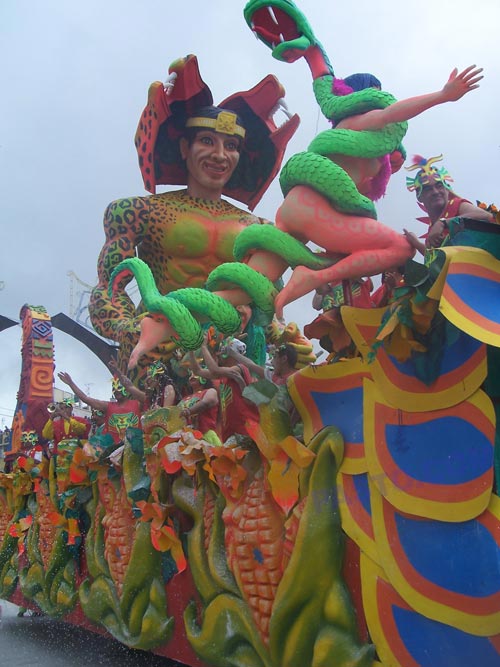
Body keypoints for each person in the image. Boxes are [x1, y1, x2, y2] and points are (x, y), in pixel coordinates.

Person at [89, 54, 298, 372]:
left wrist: (285, 342)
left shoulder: (260, 230)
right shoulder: (138, 211)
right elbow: (109, 286)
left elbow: (269, 306)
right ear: (185, 148)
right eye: (207, 141)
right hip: (159, 357)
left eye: (231, 146)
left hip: (232, 359)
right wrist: (128, 329)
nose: (219, 155)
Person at [272, 65, 485, 317]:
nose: (435, 192)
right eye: (374, 93)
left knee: (250, 288)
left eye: (438, 186)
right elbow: (393, 114)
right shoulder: (361, 123)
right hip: (314, 213)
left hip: (294, 209)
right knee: (399, 248)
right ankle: (316, 276)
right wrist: (442, 95)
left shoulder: (353, 141)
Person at [403, 154, 494, 254]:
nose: (435, 192)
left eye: (439, 186)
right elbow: (435, 260)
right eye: (428, 189)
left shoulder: (456, 205)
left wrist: (443, 223)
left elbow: (485, 215)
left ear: (447, 189)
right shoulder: (432, 230)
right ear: (419, 196)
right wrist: (416, 243)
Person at [57, 372, 141, 444]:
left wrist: (129, 385)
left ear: (126, 388)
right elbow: (85, 399)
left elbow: (146, 396)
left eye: (119, 388)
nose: (116, 391)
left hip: (135, 450)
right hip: (113, 452)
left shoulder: (137, 404)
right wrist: (71, 383)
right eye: (114, 389)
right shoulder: (108, 406)